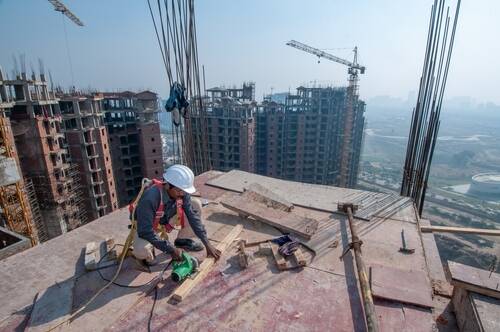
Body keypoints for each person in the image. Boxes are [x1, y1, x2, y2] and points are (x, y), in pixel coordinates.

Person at [132, 164, 220, 263]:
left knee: (195, 204)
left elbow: (192, 216)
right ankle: (146, 259)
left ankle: (182, 239)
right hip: (148, 226)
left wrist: (207, 243)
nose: (182, 194)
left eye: (184, 191)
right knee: (141, 250)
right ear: (168, 185)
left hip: (166, 221)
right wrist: (171, 249)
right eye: (179, 191)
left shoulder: (181, 191)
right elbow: (145, 231)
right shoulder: (150, 198)